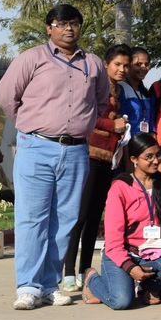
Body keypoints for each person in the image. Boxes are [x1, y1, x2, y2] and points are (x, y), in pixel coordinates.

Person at [0, 4, 109, 310]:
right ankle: (28, 287)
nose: (68, 28)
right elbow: (8, 97)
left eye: (74, 23)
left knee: (65, 220)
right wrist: (31, 124)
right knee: (32, 218)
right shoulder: (32, 58)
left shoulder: (93, 64)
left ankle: (49, 285)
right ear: (49, 28)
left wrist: (81, 126)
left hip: (75, 151)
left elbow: (100, 102)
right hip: (36, 146)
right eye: (61, 23)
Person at [62, 43, 131, 293]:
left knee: (94, 218)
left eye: (126, 66)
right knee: (79, 215)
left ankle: (84, 270)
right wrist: (113, 126)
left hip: (108, 160)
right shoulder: (93, 85)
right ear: (105, 64)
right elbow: (84, 116)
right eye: (117, 64)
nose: (122, 69)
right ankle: (68, 272)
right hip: (89, 154)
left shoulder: (119, 91)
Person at [82, 133, 161, 309]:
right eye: (148, 157)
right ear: (134, 159)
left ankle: (150, 287)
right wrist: (129, 267)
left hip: (154, 253)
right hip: (123, 253)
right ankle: (91, 279)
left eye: (157, 155)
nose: (155, 161)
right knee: (121, 301)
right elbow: (113, 242)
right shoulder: (120, 187)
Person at [119, 46, 155, 136]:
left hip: (145, 141)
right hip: (127, 141)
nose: (143, 68)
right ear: (129, 65)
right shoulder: (121, 88)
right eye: (138, 64)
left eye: (146, 64)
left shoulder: (146, 92)